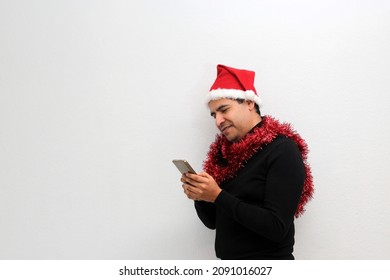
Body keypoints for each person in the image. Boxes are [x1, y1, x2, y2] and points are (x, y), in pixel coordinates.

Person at [181, 64, 314, 260]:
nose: (218, 121)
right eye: (214, 115)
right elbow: (213, 222)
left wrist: (218, 196)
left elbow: (276, 227)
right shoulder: (224, 157)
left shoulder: (282, 150)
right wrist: (200, 195)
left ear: (250, 103)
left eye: (224, 109)